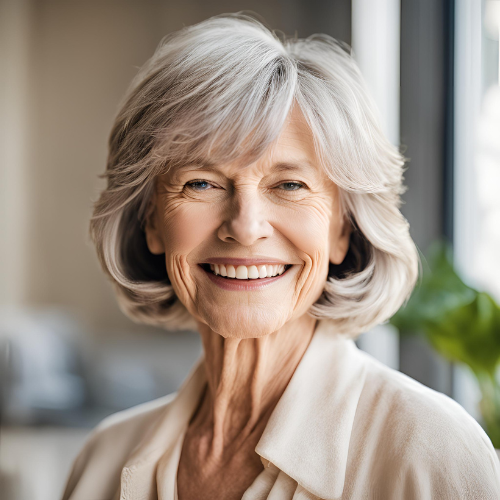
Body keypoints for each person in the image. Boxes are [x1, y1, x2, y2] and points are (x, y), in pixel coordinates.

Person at [61, 13, 500, 500]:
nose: (246, 227)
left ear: (343, 230)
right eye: (201, 183)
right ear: (151, 221)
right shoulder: (102, 462)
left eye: (289, 185)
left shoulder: (430, 455)